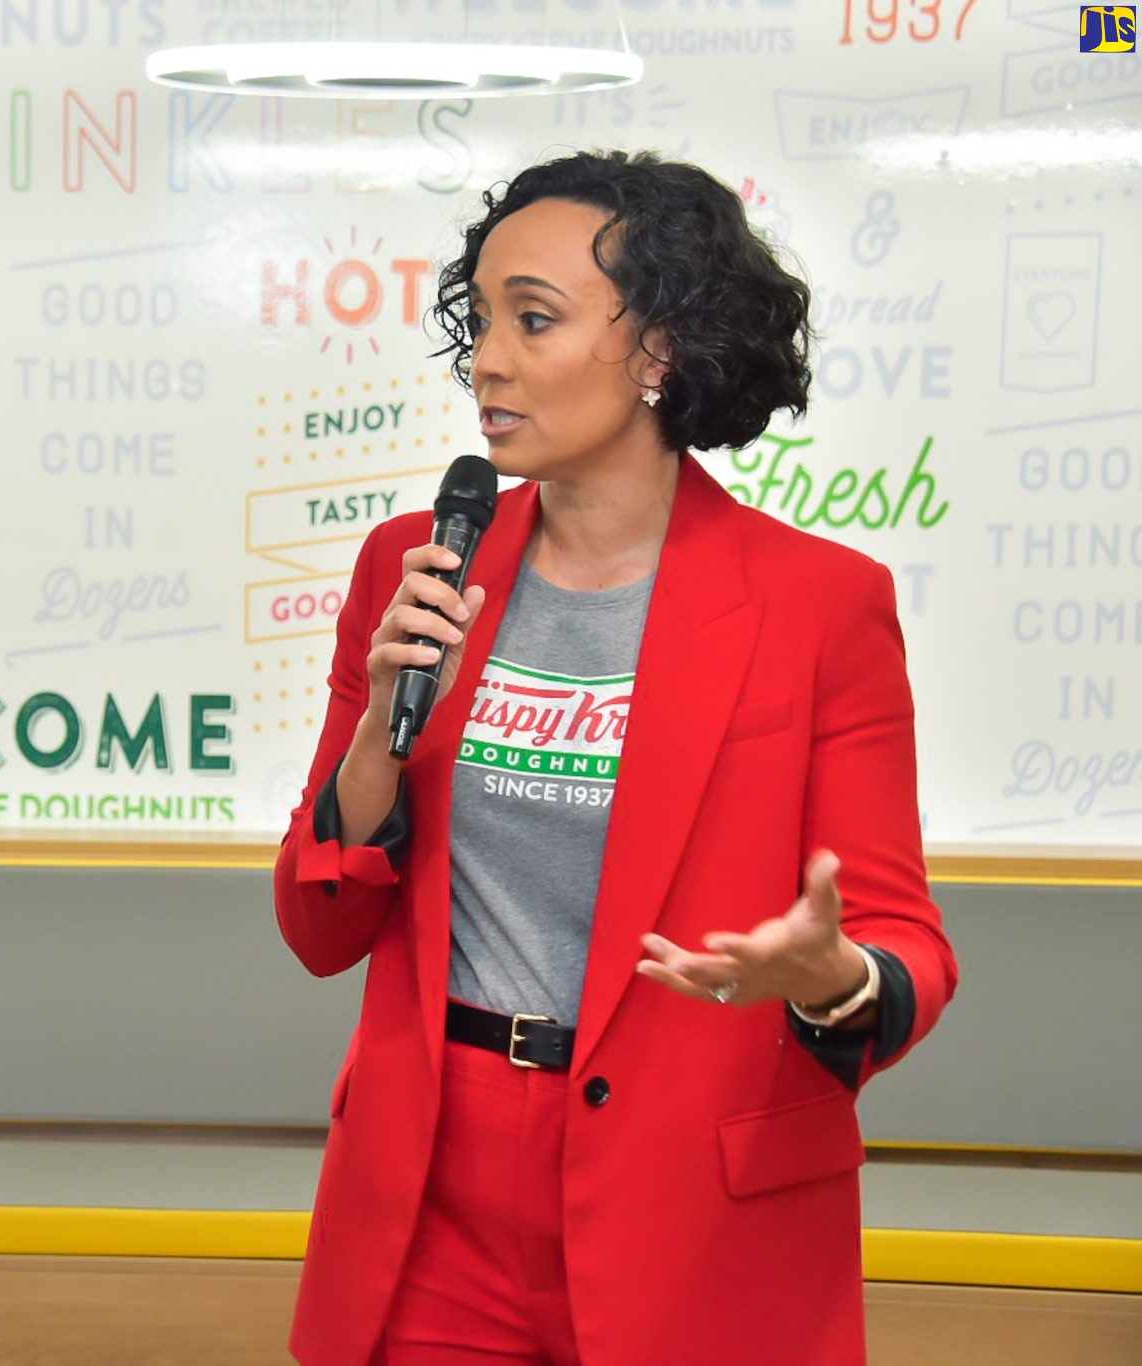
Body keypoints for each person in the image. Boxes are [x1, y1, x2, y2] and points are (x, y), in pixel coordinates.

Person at [274, 151, 958, 1365]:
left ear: (656, 354)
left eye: (531, 320)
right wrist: (382, 729)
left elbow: (905, 944)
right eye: (475, 316)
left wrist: (826, 973)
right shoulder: (414, 566)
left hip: (689, 1205)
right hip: (433, 1190)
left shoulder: (817, 606)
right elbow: (319, 927)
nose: (484, 357)